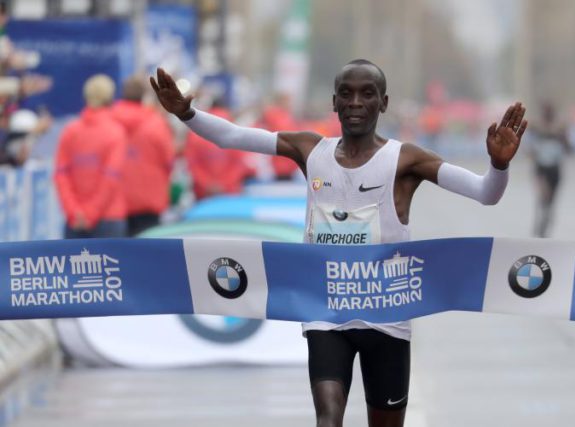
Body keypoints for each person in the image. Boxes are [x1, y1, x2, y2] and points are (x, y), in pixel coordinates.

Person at [151, 60, 527, 427]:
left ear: (383, 103)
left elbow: (485, 194)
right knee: (328, 417)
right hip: (327, 308)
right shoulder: (309, 150)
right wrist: (188, 114)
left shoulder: (406, 159)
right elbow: (232, 136)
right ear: (334, 103)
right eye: (346, 94)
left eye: (367, 94)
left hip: (386, 314)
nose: (355, 102)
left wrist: (498, 165)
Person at [55, 74, 127, 238]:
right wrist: (91, 212)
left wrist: (74, 211)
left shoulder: (70, 131)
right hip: (108, 218)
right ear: (110, 97)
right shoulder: (115, 132)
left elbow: (61, 174)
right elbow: (111, 177)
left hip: (75, 219)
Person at [112, 76, 176, 236]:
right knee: (146, 256)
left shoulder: (109, 120)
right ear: (143, 95)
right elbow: (169, 161)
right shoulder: (157, 123)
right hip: (149, 201)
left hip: (115, 202)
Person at [184, 98, 250, 200]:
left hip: (203, 195)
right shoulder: (235, 129)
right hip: (229, 194)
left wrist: (207, 184)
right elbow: (239, 164)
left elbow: (192, 164)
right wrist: (224, 185)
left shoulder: (195, 133)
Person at [529, 101, 569, 238]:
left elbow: (568, 147)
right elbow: (529, 144)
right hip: (541, 168)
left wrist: (562, 137)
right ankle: (540, 224)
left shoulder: (560, 127)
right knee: (543, 196)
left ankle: (546, 222)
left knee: (551, 201)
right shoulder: (536, 126)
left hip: (554, 168)